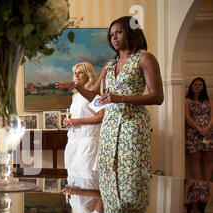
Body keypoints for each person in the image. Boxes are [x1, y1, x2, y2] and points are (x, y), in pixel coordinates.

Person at [56, 16, 164, 176]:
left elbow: (157, 97)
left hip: (132, 124)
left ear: (131, 32)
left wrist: (119, 98)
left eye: (119, 32)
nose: (114, 37)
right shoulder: (110, 64)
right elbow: (94, 96)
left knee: (130, 173)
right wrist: (78, 87)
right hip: (109, 127)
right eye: (111, 34)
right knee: (108, 174)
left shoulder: (144, 58)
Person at [60, 62, 104, 177]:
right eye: (75, 73)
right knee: (73, 178)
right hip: (73, 141)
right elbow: (77, 115)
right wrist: (69, 121)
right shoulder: (75, 96)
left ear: (88, 75)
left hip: (88, 142)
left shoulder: (93, 94)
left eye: (80, 72)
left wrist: (77, 121)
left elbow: (101, 116)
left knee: (87, 176)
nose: (77, 75)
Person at [185, 77, 213, 181]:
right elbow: (187, 117)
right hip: (193, 132)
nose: (197, 86)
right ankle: (198, 184)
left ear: (203, 87)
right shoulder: (187, 100)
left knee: (209, 159)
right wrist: (199, 129)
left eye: (200, 84)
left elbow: (212, 115)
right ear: (192, 86)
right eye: (195, 84)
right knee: (195, 159)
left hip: (209, 133)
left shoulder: (208, 99)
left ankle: (208, 184)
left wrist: (208, 128)